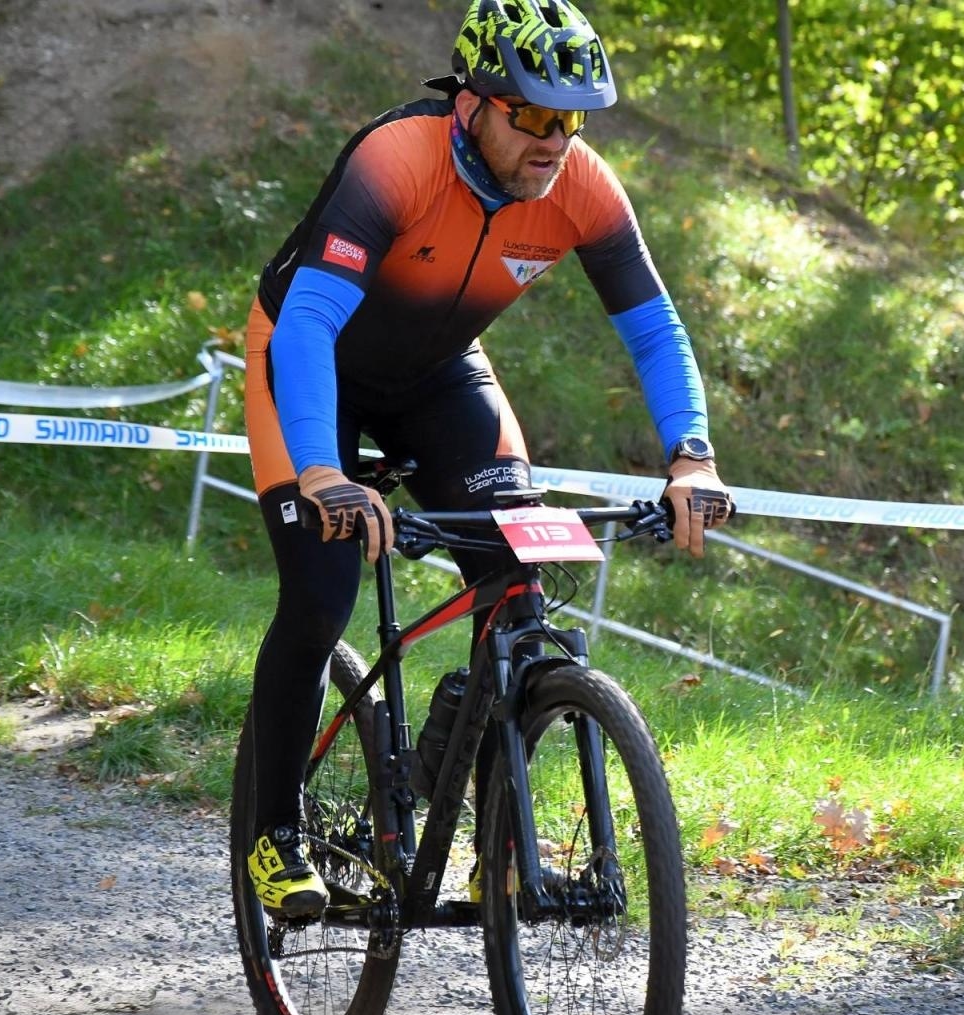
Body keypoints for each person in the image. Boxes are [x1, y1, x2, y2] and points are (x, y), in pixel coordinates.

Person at [240, 0, 735, 918]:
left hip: (437, 375)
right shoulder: (397, 161)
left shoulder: (582, 186)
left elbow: (655, 329)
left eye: (572, 117)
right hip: (307, 366)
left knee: (519, 578)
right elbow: (307, 324)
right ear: (473, 103)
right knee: (319, 596)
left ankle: (488, 826)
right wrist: (321, 471)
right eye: (534, 115)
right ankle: (273, 835)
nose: (555, 140)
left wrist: (691, 456)